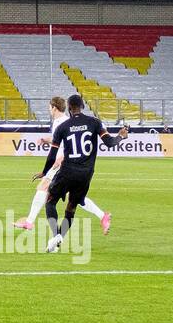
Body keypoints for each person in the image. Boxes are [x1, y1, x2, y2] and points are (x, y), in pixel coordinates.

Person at [43, 95, 128, 253]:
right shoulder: (94, 122)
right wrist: (121, 136)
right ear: (82, 106)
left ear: (69, 107)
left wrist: (44, 172)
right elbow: (110, 143)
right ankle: (59, 237)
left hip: (67, 171)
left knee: (50, 201)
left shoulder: (63, 126)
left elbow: (52, 154)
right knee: (71, 208)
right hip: (86, 175)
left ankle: (57, 235)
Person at [16, 96, 112, 234]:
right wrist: (45, 140)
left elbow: (73, 143)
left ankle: (31, 223)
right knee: (75, 197)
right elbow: (59, 140)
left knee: (43, 187)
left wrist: (61, 157)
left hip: (64, 164)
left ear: (54, 107)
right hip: (67, 164)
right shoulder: (61, 121)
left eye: (49, 107)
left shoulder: (64, 122)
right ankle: (103, 216)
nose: (49, 110)